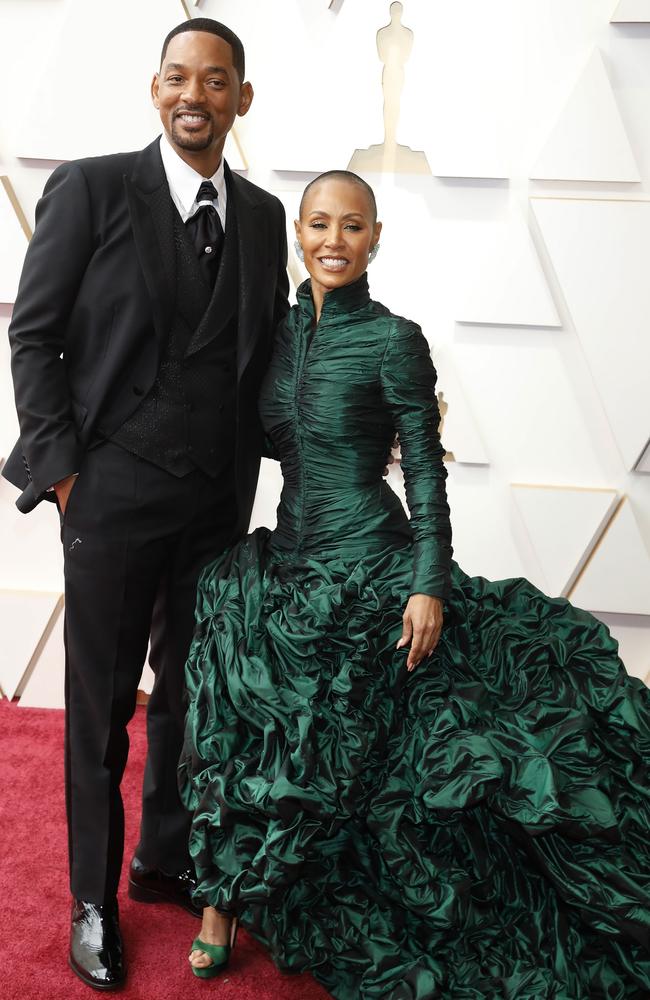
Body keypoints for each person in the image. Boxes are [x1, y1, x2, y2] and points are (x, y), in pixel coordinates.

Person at [179, 171, 650, 997]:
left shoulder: (396, 338)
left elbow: (425, 475)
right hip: (288, 559)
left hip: (374, 563)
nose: (334, 240)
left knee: (406, 744)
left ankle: (257, 893)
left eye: (352, 227)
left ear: (376, 238)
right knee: (231, 665)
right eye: (319, 223)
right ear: (298, 232)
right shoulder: (277, 334)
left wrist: (429, 583)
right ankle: (220, 899)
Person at [3, 17, 288, 991]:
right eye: (177, 77)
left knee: (191, 699)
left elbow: (264, 363)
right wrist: (67, 470)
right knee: (98, 708)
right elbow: (33, 335)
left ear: (240, 98)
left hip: (214, 502)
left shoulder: (258, 215)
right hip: (112, 496)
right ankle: (91, 897)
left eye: (215, 79)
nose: (193, 94)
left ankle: (161, 857)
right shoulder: (90, 189)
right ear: (154, 89)